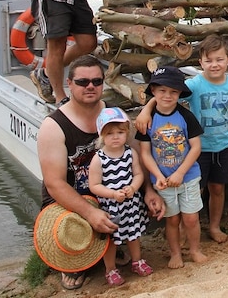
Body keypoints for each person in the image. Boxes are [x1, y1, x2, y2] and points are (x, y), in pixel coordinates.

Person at [36, 55, 166, 291]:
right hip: (73, 197)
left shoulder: (114, 115)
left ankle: (109, 247)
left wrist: (148, 190)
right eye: (83, 82)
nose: (90, 87)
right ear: (70, 83)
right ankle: (75, 262)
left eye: (96, 81)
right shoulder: (53, 126)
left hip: (112, 192)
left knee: (126, 209)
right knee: (74, 230)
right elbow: (54, 184)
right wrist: (89, 213)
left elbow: (134, 157)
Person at [136, 34, 228, 243]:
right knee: (195, 188)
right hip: (196, 148)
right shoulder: (194, 85)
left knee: (217, 188)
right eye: (209, 60)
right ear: (200, 62)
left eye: (219, 60)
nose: (214, 65)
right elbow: (166, 98)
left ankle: (214, 225)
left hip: (224, 144)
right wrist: (146, 110)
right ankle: (187, 227)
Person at [135, 67, 207, 268]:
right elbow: (145, 153)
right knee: (172, 220)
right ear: (154, 91)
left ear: (180, 94)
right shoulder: (147, 121)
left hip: (189, 176)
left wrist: (181, 172)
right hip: (163, 180)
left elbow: (196, 147)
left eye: (173, 92)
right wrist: (158, 175)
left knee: (191, 218)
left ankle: (194, 249)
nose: (167, 96)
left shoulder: (186, 116)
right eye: (162, 91)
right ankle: (175, 253)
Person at [88, 107, 152, 286]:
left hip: (130, 204)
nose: (115, 137)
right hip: (111, 206)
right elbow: (94, 185)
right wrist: (113, 194)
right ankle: (110, 269)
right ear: (101, 135)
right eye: (110, 134)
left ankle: (136, 260)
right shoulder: (99, 159)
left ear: (127, 133)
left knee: (133, 234)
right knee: (111, 240)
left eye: (120, 132)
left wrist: (133, 187)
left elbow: (138, 174)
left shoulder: (130, 153)